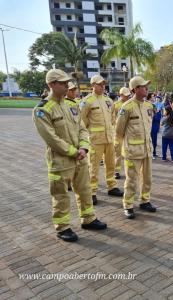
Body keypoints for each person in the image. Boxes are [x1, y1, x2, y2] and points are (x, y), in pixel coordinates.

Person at [33, 69, 107, 242]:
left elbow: (82, 128)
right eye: (63, 83)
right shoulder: (42, 110)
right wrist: (74, 152)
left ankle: (88, 219)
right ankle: (63, 227)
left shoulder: (72, 105)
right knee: (60, 195)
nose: (67, 85)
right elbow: (51, 138)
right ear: (51, 85)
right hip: (61, 160)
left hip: (80, 157)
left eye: (67, 82)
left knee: (85, 190)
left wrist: (84, 147)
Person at [115, 76, 157, 219]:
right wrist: (124, 147)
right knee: (131, 180)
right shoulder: (126, 107)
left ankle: (145, 200)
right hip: (132, 151)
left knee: (147, 178)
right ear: (136, 89)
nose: (147, 88)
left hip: (146, 149)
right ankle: (128, 205)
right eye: (144, 86)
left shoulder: (149, 106)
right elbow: (119, 130)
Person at [80, 75, 123, 205]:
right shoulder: (87, 101)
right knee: (93, 167)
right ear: (92, 85)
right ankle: (92, 192)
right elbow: (82, 120)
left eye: (103, 84)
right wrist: (90, 130)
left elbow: (113, 117)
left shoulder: (108, 100)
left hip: (109, 138)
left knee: (111, 164)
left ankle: (112, 186)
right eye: (99, 84)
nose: (102, 86)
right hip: (95, 139)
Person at [112, 87, 131, 179]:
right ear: (121, 95)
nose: (127, 97)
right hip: (118, 133)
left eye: (128, 95)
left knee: (128, 152)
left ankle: (130, 170)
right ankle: (116, 171)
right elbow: (112, 118)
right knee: (118, 153)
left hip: (128, 132)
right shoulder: (115, 105)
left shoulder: (130, 104)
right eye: (125, 95)